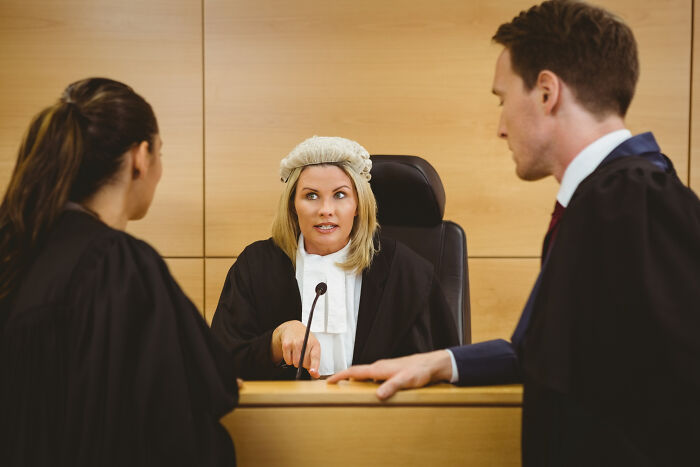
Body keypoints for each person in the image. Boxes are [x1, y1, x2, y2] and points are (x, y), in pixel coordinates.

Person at [329, 1, 700, 465]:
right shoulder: (611, 198)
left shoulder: (630, 201)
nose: (501, 127)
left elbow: (666, 398)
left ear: (547, 92)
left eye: (502, 99)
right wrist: (443, 361)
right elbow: (566, 355)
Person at [0, 78, 238, 466]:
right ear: (140, 157)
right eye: (160, 153)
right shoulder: (118, 265)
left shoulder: (14, 251)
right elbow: (186, 411)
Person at [211, 136, 459, 380]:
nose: (325, 210)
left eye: (340, 195)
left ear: (359, 204)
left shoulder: (406, 271)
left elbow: (441, 369)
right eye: (311, 195)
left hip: (380, 416)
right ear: (292, 205)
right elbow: (220, 364)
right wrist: (275, 343)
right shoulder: (256, 266)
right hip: (282, 418)